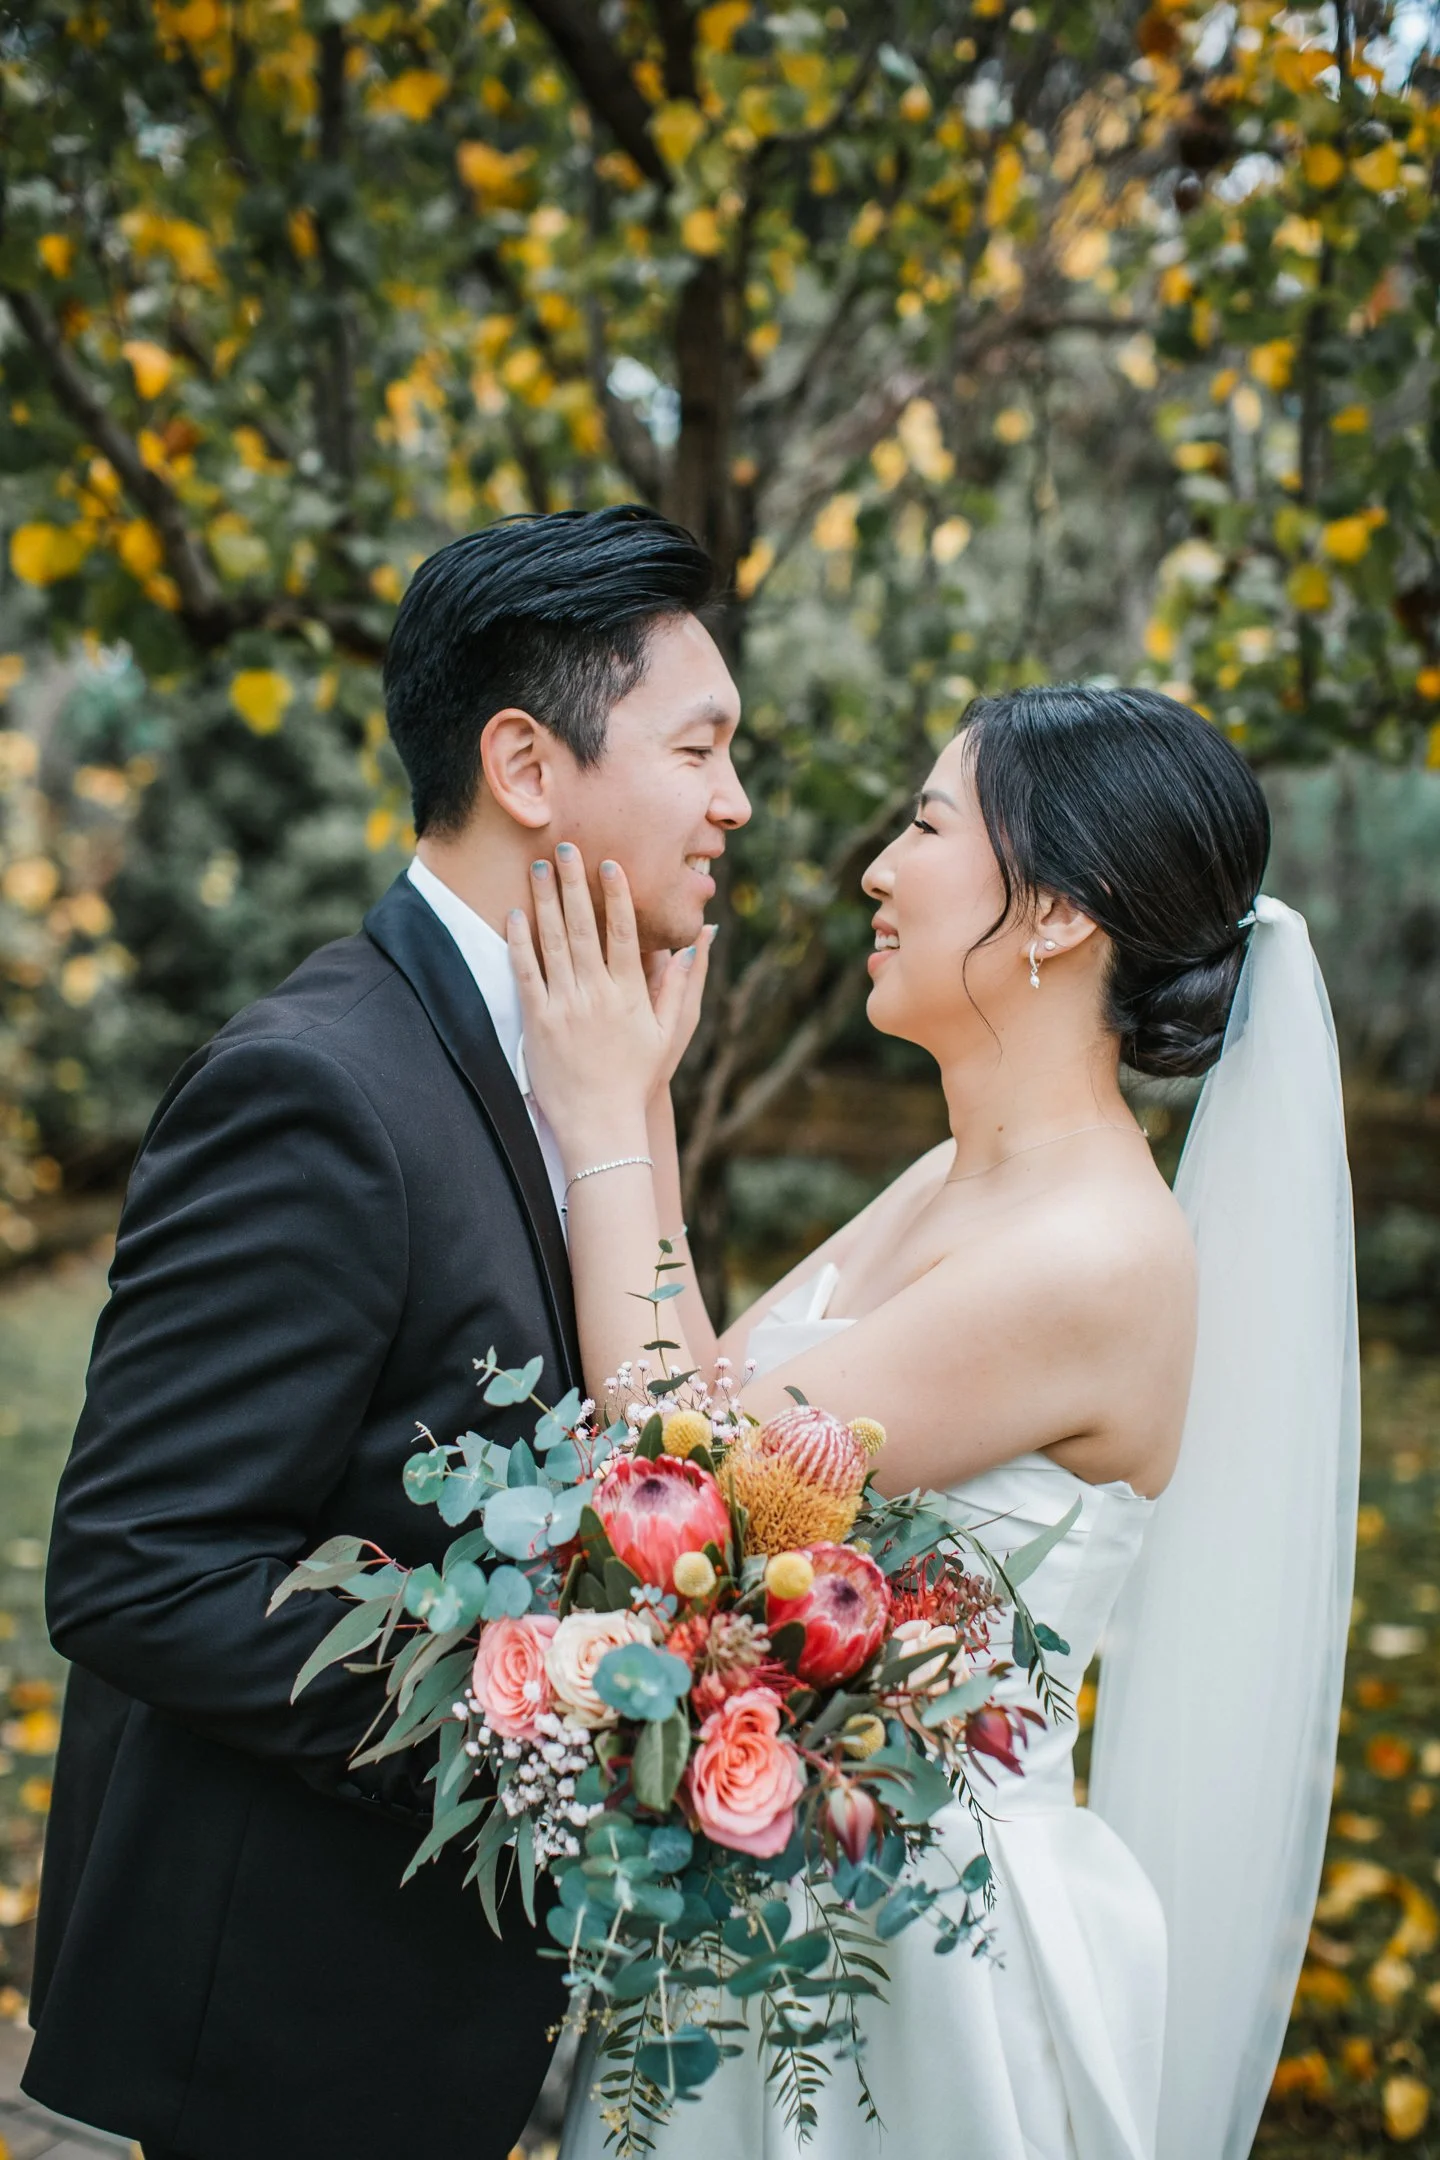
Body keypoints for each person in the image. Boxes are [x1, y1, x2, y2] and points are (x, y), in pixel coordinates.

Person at [506, 684, 1359, 2160]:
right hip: (802, 1883)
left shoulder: (1092, 1257)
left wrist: (593, 1121)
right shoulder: (955, 1182)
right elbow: (710, 1409)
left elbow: (668, 1486)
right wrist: (640, 1095)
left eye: (924, 824)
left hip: (914, 1970)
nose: (876, 871)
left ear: (1057, 916)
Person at [23, 505, 750, 2160]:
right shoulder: (322, 1087)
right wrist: (528, 1710)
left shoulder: (566, 1062)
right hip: (289, 2015)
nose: (734, 803)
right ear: (527, 763)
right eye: (698, 748)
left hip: (439, 2005)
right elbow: (137, 1565)